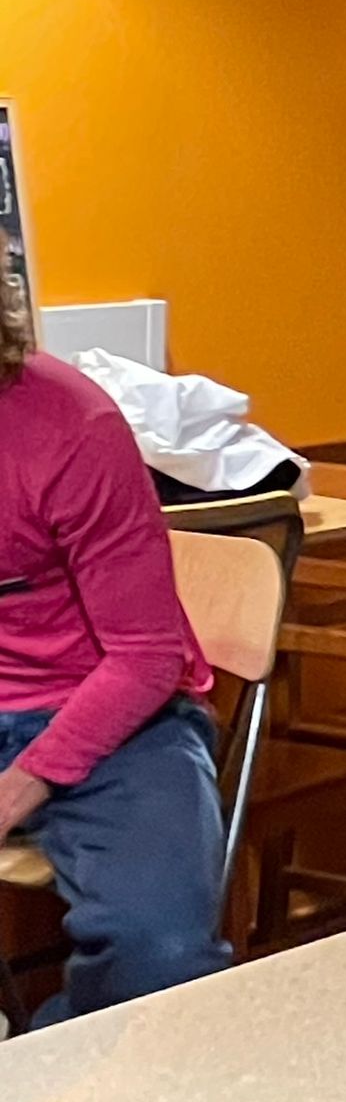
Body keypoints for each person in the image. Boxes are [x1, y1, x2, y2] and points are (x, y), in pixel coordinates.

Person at [0, 275, 230, 1025]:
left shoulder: (72, 426)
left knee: (163, 959)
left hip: (117, 715)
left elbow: (145, 656)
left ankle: (44, 1073)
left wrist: (16, 789)